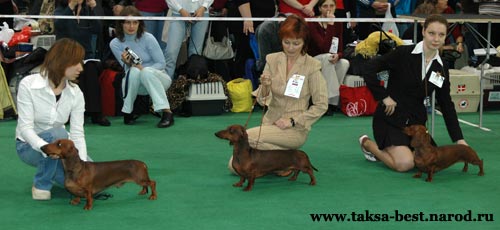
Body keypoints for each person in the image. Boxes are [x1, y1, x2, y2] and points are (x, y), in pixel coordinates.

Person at [359, 14, 468, 172]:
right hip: (391, 119)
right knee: (405, 164)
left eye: (441, 34)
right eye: (432, 33)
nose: (436, 39)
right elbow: (368, 68)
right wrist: (383, 96)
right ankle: (368, 144)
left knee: (430, 163)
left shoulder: (441, 67)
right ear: (423, 31)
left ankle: (403, 149)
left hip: (416, 125)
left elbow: (446, 104)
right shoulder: (403, 53)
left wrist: (459, 139)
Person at [227, 14, 328, 173]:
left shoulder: (312, 66)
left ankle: (279, 162)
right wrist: (265, 86)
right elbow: (262, 100)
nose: (291, 48)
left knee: (246, 139)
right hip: (270, 123)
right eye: (286, 42)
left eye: (296, 43)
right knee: (233, 166)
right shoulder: (272, 60)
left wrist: (293, 121)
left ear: (304, 43)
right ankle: (284, 163)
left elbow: (321, 105)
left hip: (294, 129)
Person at [15, 38, 89, 200]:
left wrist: (82, 164)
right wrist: (45, 147)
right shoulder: (28, 84)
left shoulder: (76, 93)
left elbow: (77, 134)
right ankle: (41, 185)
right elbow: (25, 128)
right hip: (28, 146)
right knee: (58, 133)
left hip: (61, 148)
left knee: (88, 185)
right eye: (76, 63)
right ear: (62, 62)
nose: (81, 68)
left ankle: (57, 168)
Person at [110, 6, 174, 128]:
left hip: (159, 79)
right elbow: (126, 69)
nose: (131, 26)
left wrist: (143, 69)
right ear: (121, 24)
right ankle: (128, 111)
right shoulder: (115, 43)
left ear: (140, 24)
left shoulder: (148, 38)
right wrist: (127, 63)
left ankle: (166, 112)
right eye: (127, 23)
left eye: (135, 22)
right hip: (135, 82)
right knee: (133, 71)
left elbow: (161, 64)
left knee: (146, 72)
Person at [54, 0, 111, 126]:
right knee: (73, 70)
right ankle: (71, 112)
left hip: (86, 55)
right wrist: (71, 6)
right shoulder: (61, 9)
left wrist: (94, 8)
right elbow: (58, 26)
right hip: (66, 54)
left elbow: (97, 29)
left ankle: (96, 113)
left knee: (90, 69)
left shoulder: (87, 10)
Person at [308, 0, 350, 115]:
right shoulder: (312, 23)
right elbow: (323, 47)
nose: (329, 9)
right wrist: (330, 25)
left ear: (335, 7)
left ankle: (331, 101)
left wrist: (339, 55)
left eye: (331, 6)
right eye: (325, 6)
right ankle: (330, 100)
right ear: (320, 8)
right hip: (313, 59)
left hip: (329, 57)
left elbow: (340, 47)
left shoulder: (338, 23)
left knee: (344, 63)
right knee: (327, 57)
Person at [164, 0, 213, 79]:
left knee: (195, 54)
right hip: (178, 13)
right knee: (171, 52)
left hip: (202, 13)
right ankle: (166, 85)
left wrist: (203, 7)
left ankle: (191, 85)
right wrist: (181, 10)